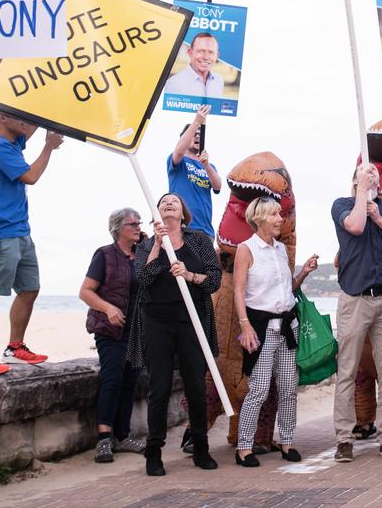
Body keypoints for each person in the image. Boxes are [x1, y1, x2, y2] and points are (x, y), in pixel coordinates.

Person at [127, 193, 221, 476]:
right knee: (160, 387)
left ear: (183, 213)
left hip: (191, 320)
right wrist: (158, 244)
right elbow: (142, 279)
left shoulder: (200, 240)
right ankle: (153, 453)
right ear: (156, 213)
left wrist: (190, 275)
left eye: (175, 202)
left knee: (195, 385)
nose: (168, 203)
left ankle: (201, 448)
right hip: (157, 321)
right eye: (163, 202)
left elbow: (215, 280)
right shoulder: (146, 245)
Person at [0, 110, 63, 375]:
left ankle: (14, 348)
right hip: (0, 235)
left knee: (30, 289)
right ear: (2, 117)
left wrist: (44, 102)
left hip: (21, 233)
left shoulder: (12, 141)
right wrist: (49, 146)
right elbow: (31, 176)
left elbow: (31, 123)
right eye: (16, 116)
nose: (23, 122)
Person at [234, 197, 318, 467]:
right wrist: (245, 325)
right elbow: (238, 291)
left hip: (287, 326)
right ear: (259, 219)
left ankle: (287, 441)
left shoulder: (281, 249)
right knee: (257, 389)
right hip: (261, 329)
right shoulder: (246, 249)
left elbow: (286, 290)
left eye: (280, 214)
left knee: (288, 388)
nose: (280, 219)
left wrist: (303, 272)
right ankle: (244, 446)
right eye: (274, 215)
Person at [330, 164, 382, 463]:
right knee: (347, 370)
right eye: (365, 175)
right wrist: (362, 192)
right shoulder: (342, 205)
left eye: (374, 177)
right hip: (354, 299)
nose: (372, 179)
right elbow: (356, 226)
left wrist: (379, 217)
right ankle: (344, 439)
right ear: (355, 182)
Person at [78, 208, 147, 463]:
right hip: (109, 329)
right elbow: (85, 291)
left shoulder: (143, 255)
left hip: (136, 330)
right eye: (133, 224)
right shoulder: (105, 255)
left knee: (131, 381)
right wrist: (108, 308)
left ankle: (123, 435)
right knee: (112, 378)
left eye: (139, 223)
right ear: (118, 228)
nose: (138, 227)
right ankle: (104, 439)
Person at [166, 105, 221, 238]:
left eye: (200, 134)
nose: (197, 136)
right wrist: (197, 121)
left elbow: (217, 187)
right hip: (183, 228)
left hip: (205, 230)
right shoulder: (178, 161)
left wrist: (206, 165)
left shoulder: (209, 166)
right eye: (193, 134)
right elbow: (179, 150)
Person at [164, 34, 225, 99]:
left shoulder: (219, 80)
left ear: (217, 56)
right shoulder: (174, 83)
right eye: (201, 51)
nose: (206, 57)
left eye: (211, 52)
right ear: (190, 52)